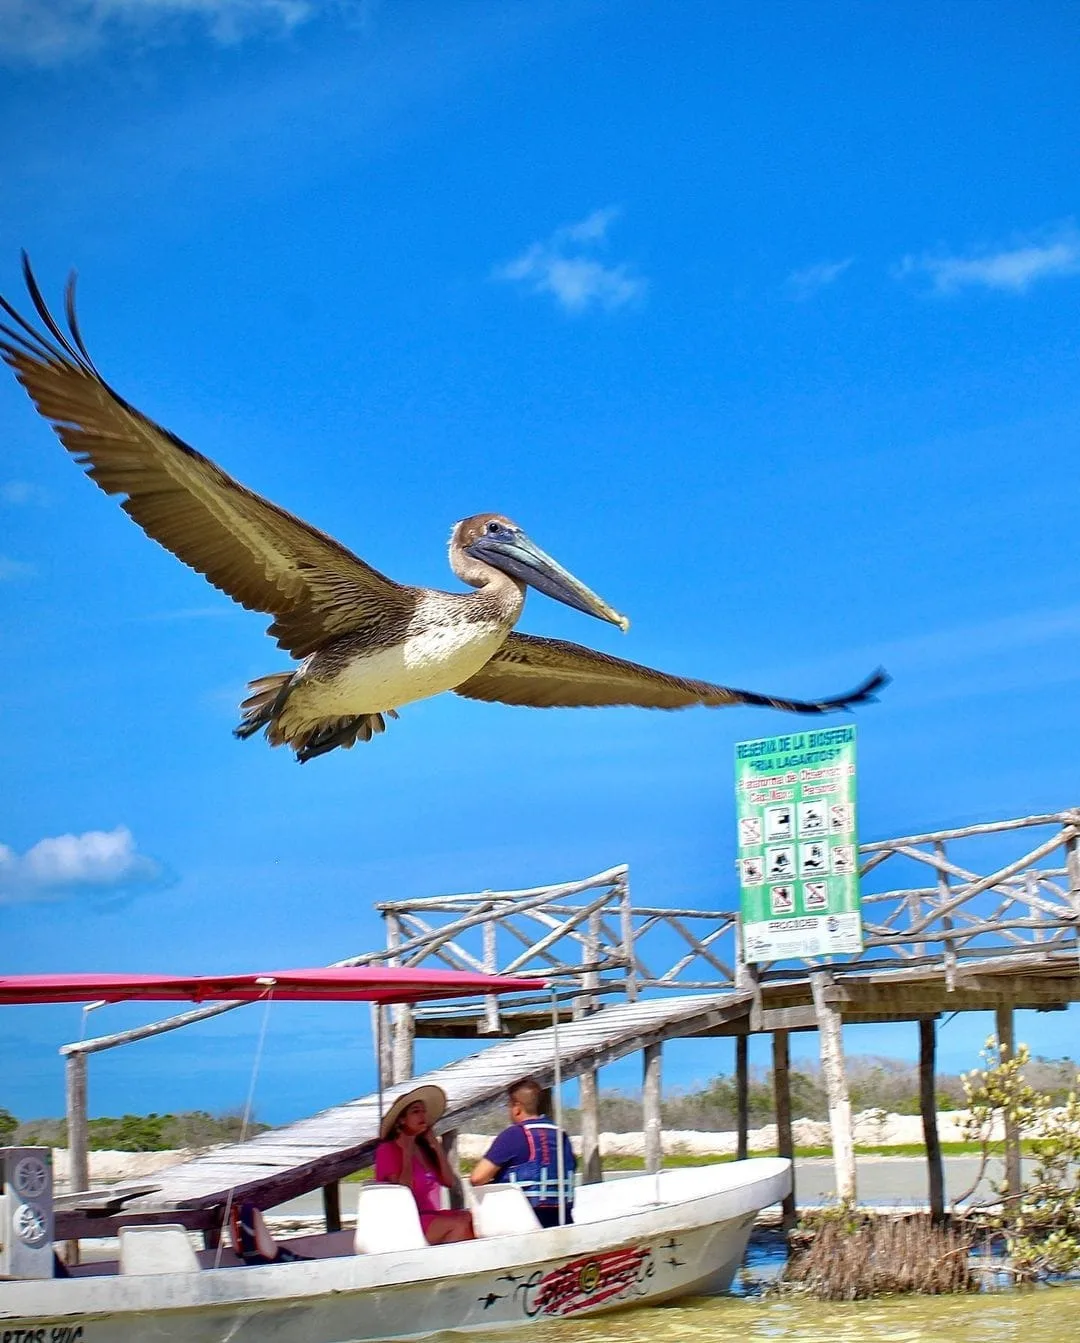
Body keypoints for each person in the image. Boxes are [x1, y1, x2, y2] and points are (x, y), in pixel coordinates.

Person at [469, 1075, 576, 1227]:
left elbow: (477, 1178)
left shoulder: (513, 1135)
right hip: (563, 1219)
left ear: (517, 1107)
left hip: (524, 1222)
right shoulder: (562, 1135)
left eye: (509, 1106)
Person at [374, 1085, 474, 1244]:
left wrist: (436, 1147)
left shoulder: (423, 1148)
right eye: (415, 1112)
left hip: (431, 1216)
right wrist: (406, 1154)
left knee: (473, 1218)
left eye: (423, 1111)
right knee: (458, 1224)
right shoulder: (387, 1150)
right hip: (406, 1222)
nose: (422, 1116)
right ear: (401, 1120)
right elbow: (403, 1191)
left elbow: (449, 1181)